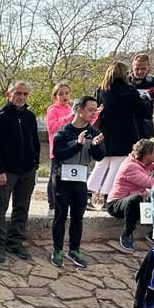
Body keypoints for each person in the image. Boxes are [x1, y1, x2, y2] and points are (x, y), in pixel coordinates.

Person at [50, 96, 106, 268]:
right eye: (90, 109)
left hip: (80, 181)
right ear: (79, 110)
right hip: (62, 180)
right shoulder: (64, 132)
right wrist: (78, 144)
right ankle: (57, 250)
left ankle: (74, 249)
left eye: (95, 110)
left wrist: (96, 146)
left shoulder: (94, 132)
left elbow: (100, 156)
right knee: (60, 216)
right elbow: (59, 154)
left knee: (77, 217)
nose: (93, 113)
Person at [0, 81, 39, 264]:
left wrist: (35, 164)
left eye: (25, 94)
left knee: (22, 207)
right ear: (9, 94)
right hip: (5, 172)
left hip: (27, 171)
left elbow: (35, 143)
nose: (22, 97)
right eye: (18, 93)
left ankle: (15, 242)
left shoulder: (30, 117)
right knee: (0, 207)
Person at [88, 61, 144, 205]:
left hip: (105, 132)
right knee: (116, 167)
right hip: (125, 134)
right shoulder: (130, 90)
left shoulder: (101, 90)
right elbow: (140, 110)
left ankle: (88, 192)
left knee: (100, 164)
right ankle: (108, 196)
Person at [106, 139, 154, 251]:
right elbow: (151, 183)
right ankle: (127, 234)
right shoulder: (130, 166)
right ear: (147, 154)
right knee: (135, 199)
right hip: (116, 204)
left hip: (131, 201)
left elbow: (144, 169)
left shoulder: (138, 163)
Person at [45, 82, 74, 213]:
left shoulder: (71, 109)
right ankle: (51, 205)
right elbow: (51, 128)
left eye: (67, 93)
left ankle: (64, 206)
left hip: (71, 150)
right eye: (61, 94)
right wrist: (68, 118)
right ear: (55, 96)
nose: (64, 96)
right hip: (57, 150)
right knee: (54, 178)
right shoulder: (53, 110)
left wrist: (94, 114)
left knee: (67, 180)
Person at [129, 53, 154, 139]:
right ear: (132, 68)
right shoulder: (127, 81)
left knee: (148, 150)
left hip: (146, 123)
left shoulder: (153, 82)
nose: (140, 72)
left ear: (148, 68)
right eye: (137, 69)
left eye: (143, 69)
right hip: (130, 123)